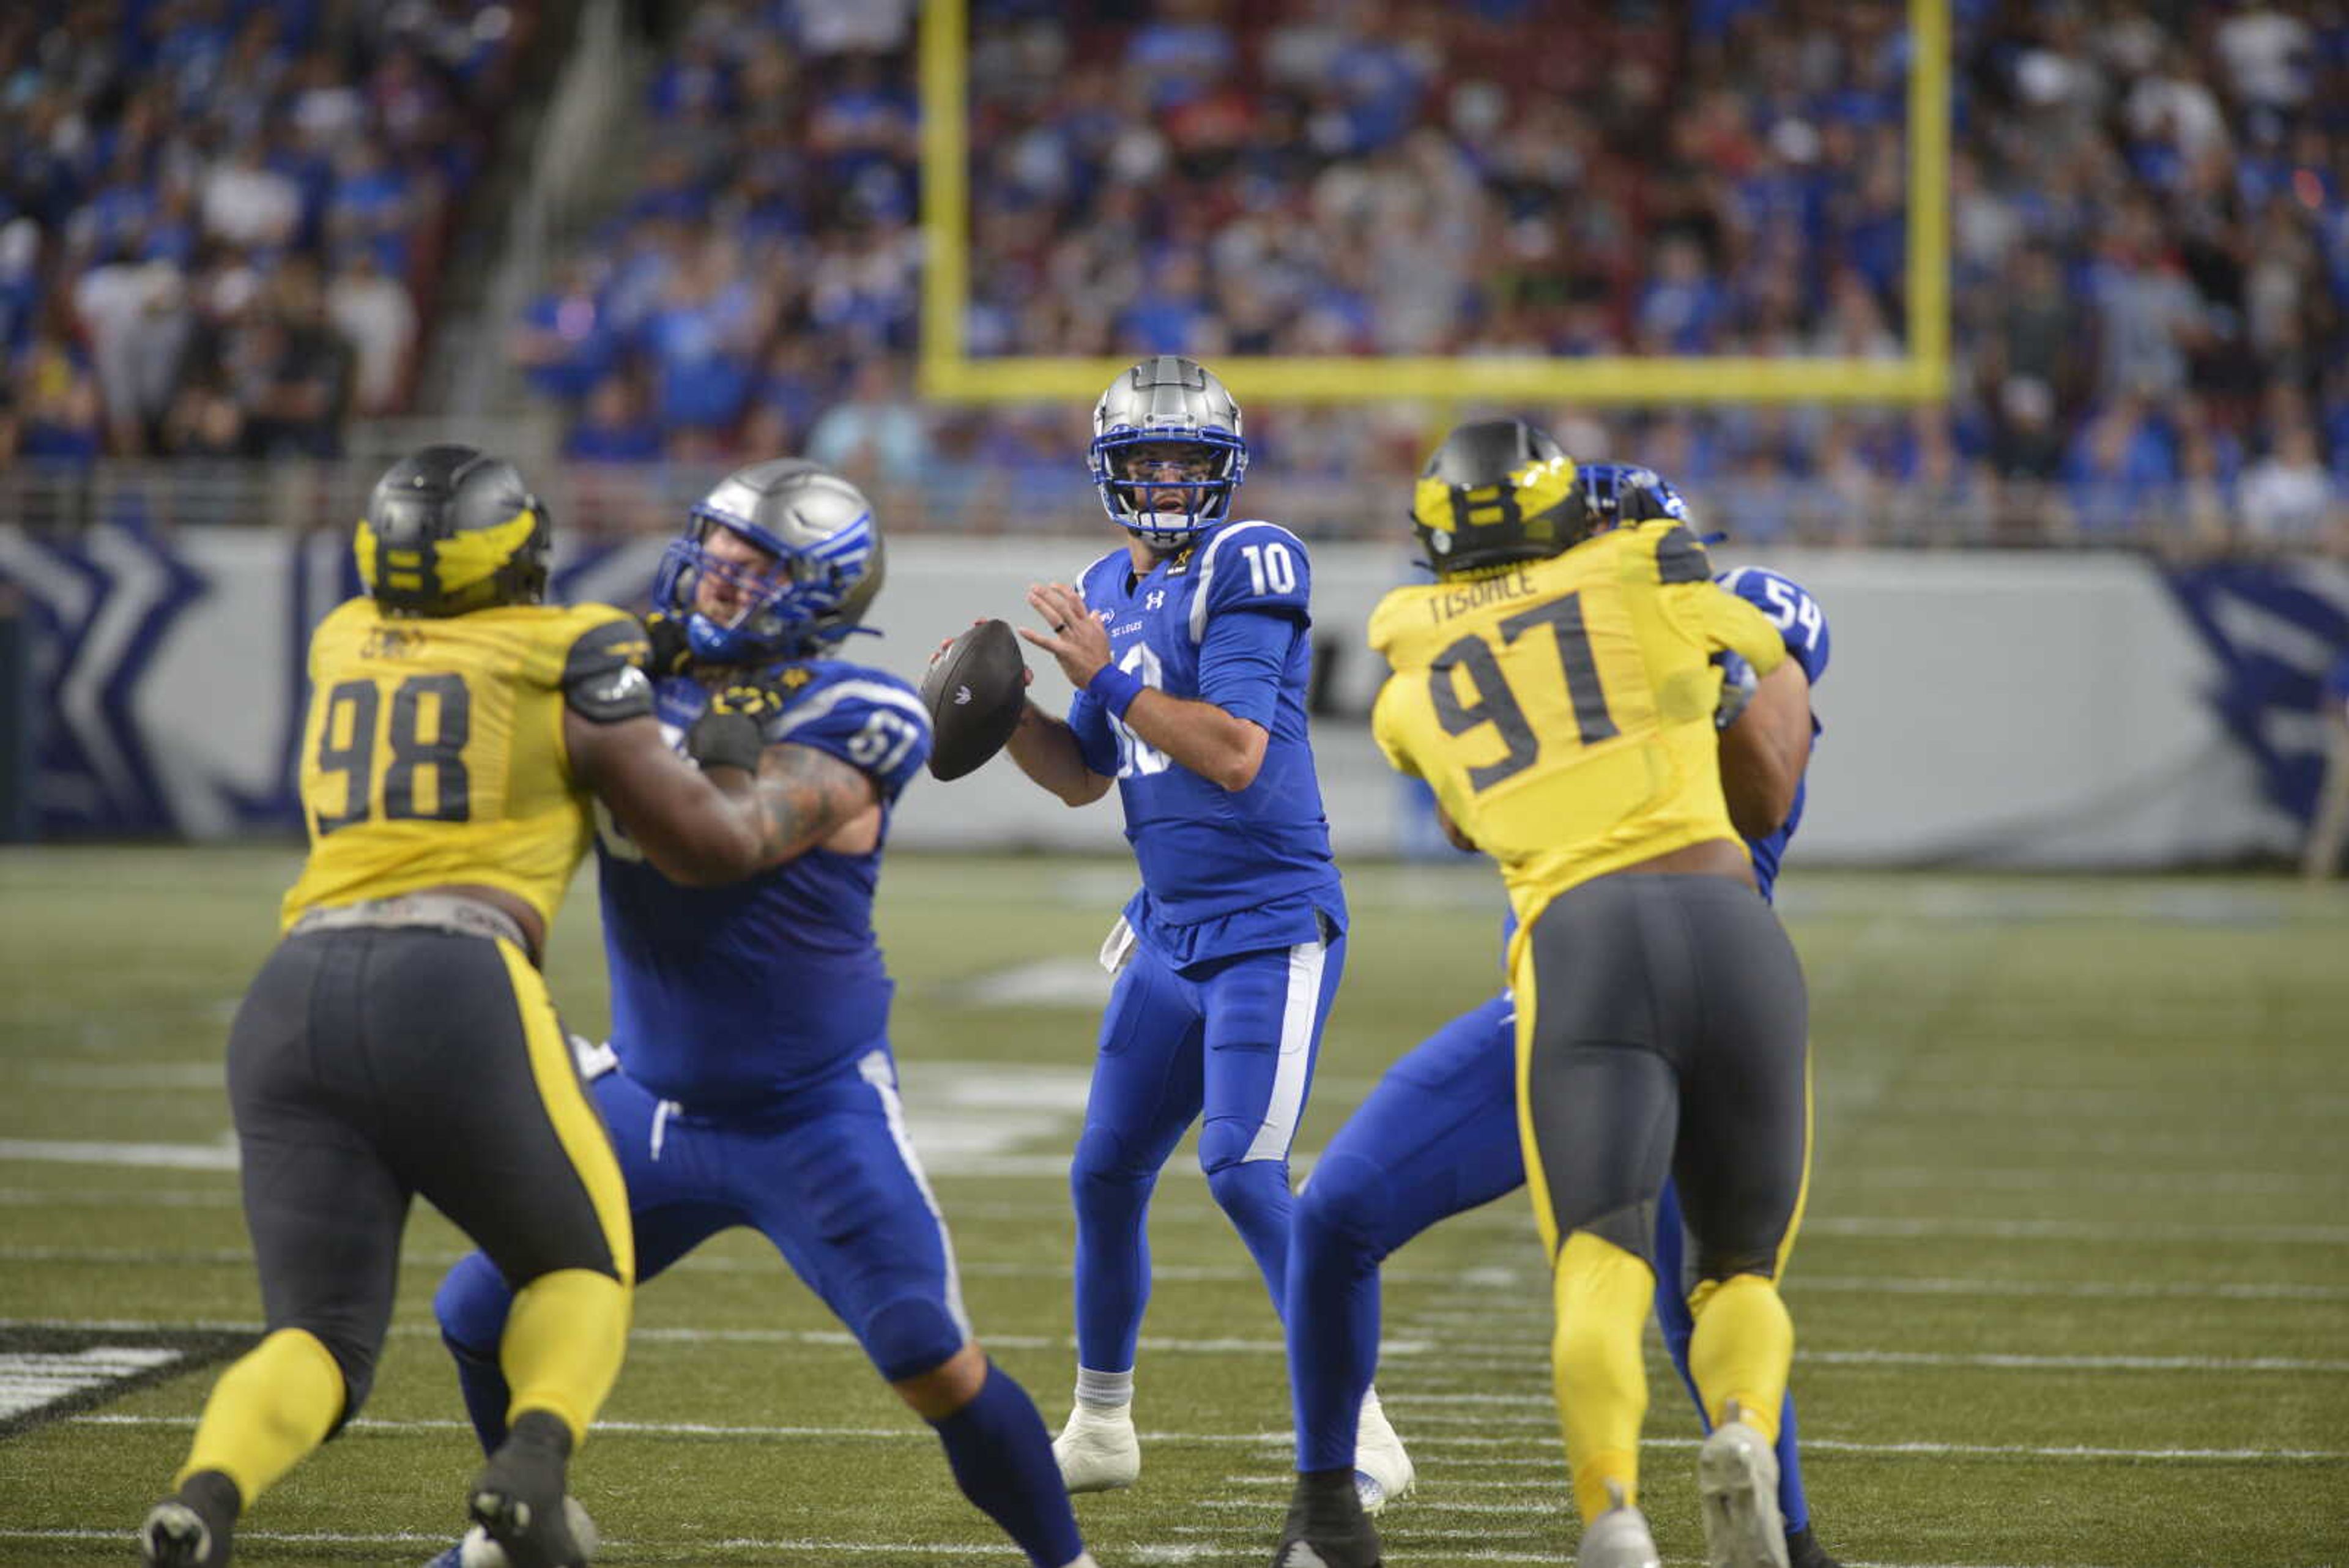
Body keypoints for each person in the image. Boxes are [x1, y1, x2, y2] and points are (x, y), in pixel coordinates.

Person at [138, 445, 810, 1568]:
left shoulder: (342, 635)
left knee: (317, 1334)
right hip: (455, 985)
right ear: (523, 557)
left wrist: (639, 647)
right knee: (580, 1265)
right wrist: (731, 746)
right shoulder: (573, 647)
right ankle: (532, 1466)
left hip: (292, 995)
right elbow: (697, 839)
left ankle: (205, 1496)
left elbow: (499, 658)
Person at [426, 459, 1097, 1568]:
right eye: (717, 554)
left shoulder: (862, 708)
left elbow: (723, 845)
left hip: (810, 1112)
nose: (718, 580)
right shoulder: (640, 671)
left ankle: (1066, 1563)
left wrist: (660, 718)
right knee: (475, 1313)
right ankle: (528, 1527)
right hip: (647, 1094)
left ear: (818, 593)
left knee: (930, 1354)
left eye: (755, 569)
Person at [1272, 462, 1841, 1568]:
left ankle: (1773, 1536)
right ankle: (1327, 1512)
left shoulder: (1683, 613)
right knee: (1344, 1213)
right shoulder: (1605, 620)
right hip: (1684, 975)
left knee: (1674, 1282)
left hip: (1602, 979)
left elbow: (1768, 773)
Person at [1000, 355, 1410, 1505]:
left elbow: (1234, 754)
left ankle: (1363, 1429)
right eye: (1149, 461)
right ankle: (1101, 1424)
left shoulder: (1250, 558)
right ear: (1112, 472)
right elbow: (1085, 777)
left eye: (1189, 460)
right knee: (1104, 1174)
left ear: (1224, 471)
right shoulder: (1107, 582)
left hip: (1271, 922)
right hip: (1169, 929)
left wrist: (1109, 677)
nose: (1170, 480)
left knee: (1241, 1168)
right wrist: (1003, 715)